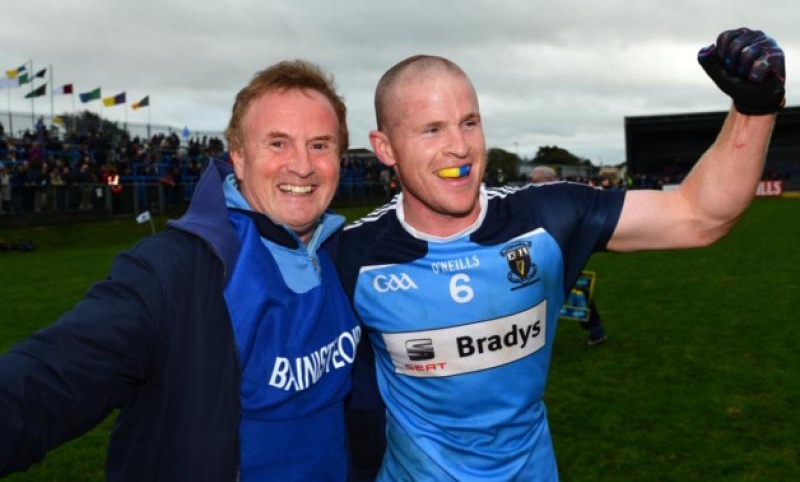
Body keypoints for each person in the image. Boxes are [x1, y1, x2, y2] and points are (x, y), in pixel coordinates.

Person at [334, 27, 785, 480]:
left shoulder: (547, 217)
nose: (460, 146)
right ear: (385, 148)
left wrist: (755, 108)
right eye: (432, 129)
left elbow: (699, 215)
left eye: (469, 122)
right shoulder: (352, 257)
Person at [0, 60, 369, 480]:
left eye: (320, 145)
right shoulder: (172, 272)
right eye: (278, 143)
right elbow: (49, 379)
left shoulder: (349, 256)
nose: (301, 165)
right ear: (240, 158)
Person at [530, 165, 607, 345]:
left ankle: (597, 331)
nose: (531, 185)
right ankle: (532, 335)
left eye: (535, 182)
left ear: (549, 180)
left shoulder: (564, 197)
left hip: (565, 255)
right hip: (545, 256)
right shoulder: (537, 199)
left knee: (577, 293)